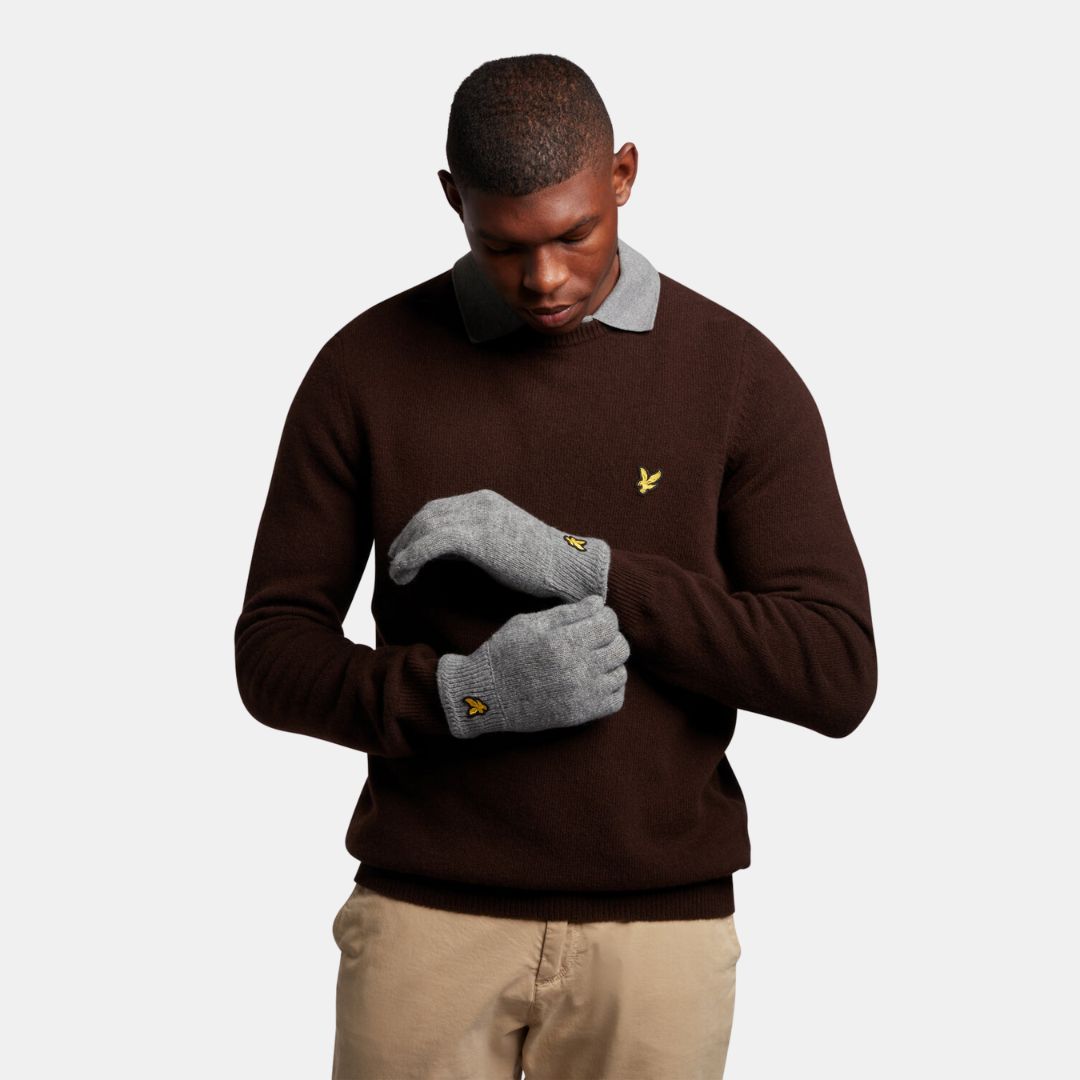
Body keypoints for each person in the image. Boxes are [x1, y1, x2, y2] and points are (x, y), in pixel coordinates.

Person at [234, 52, 877, 1080]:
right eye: (502, 245)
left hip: (658, 938)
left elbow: (834, 672)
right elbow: (271, 654)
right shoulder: (364, 369)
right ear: (453, 199)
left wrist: (586, 567)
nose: (544, 279)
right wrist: (467, 696)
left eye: (575, 234)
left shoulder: (736, 376)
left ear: (623, 176)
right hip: (425, 917)